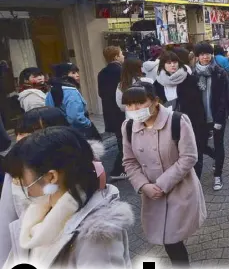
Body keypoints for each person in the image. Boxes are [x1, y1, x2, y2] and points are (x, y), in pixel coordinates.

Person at [1, 126, 133, 269]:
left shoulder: (96, 237)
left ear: (51, 177)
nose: (15, 183)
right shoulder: (38, 210)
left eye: (20, 177)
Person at [121, 82, 206, 266]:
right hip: (152, 193)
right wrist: (143, 186)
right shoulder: (128, 126)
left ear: (155, 101)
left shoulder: (177, 120)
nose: (134, 109)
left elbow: (189, 157)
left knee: (172, 239)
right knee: (170, 238)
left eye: (139, 103)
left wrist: (162, 184)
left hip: (179, 188)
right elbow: (129, 161)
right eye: (129, 105)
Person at [193, 42, 229, 190]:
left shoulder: (220, 72)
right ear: (197, 56)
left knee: (218, 143)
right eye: (202, 54)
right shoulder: (193, 74)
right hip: (200, 118)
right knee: (200, 146)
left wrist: (221, 117)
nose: (205, 57)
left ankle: (217, 175)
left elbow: (225, 97)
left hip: (216, 116)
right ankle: (197, 179)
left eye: (208, 54)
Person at [153, 52, 207, 145]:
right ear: (163, 65)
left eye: (175, 62)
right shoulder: (157, 84)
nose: (173, 65)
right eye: (169, 63)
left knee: (195, 149)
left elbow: (198, 104)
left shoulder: (190, 80)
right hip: (169, 124)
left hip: (190, 121)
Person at [46, 63, 100, 140]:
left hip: (61, 132)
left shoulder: (50, 92)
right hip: (78, 133)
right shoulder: (71, 92)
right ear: (63, 76)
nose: (78, 75)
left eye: (77, 72)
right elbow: (76, 118)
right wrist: (88, 124)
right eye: (73, 73)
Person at [97, 46, 126, 180]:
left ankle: (123, 167)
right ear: (115, 56)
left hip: (109, 110)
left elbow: (101, 93)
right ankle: (118, 169)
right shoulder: (121, 71)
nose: (123, 56)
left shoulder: (102, 72)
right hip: (121, 110)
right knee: (125, 141)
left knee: (121, 139)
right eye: (121, 54)